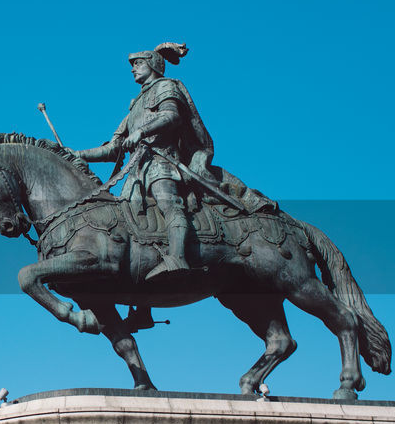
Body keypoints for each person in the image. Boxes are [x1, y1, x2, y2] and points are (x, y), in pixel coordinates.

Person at [75, 42, 273, 281]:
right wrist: (78, 154)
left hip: (163, 163)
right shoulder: (134, 106)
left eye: (138, 64)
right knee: (129, 227)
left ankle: (177, 257)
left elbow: (172, 115)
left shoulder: (166, 86)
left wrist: (142, 132)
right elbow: (112, 148)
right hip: (136, 175)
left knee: (169, 204)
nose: (132, 69)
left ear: (153, 64)